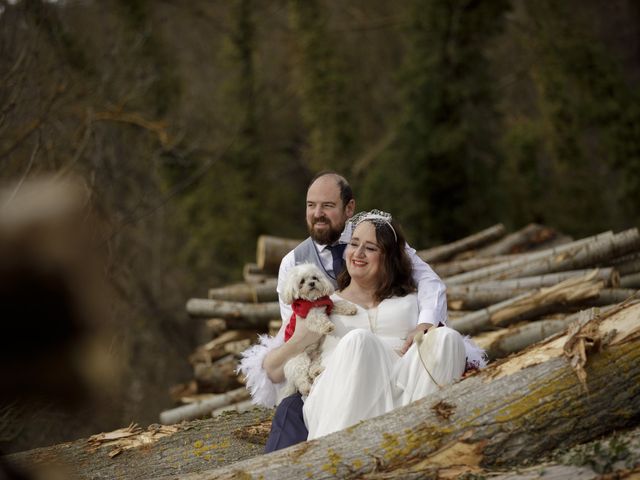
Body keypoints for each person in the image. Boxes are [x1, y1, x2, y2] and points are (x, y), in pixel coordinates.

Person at [238, 172, 450, 451]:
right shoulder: (293, 262)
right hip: (329, 364)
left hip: (392, 357)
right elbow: (295, 329)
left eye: (327, 206)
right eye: (311, 205)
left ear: (349, 208)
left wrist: (425, 322)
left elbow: (429, 281)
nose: (317, 214)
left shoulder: (379, 236)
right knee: (290, 414)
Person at [302, 210, 483, 439]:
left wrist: (426, 325)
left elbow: (432, 285)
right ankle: (340, 450)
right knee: (359, 341)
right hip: (341, 395)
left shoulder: (412, 301)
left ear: (388, 257)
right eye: (354, 244)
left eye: (370, 248)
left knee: (446, 337)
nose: (358, 253)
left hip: (406, 394)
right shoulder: (324, 303)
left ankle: (425, 441)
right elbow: (292, 352)